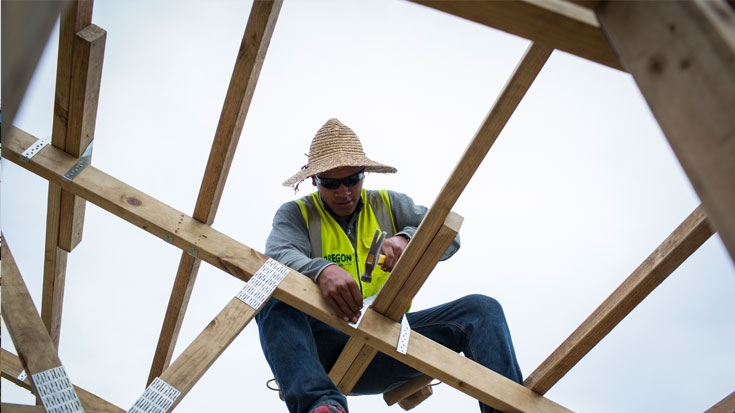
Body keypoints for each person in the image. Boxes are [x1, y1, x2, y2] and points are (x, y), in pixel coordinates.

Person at [256, 118, 522, 413]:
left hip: (392, 342)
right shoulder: (297, 214)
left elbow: (450, 237)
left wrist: (408, 240)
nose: (343, 192)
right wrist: (321, 270)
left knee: (481, 309)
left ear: (364, 174)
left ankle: (506, 410)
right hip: (324, 353)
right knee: (269, 293)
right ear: (314, 181)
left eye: (352, 180)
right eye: (331, 184)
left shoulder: (388, 204)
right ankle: (321, 406)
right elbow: (277, 254)